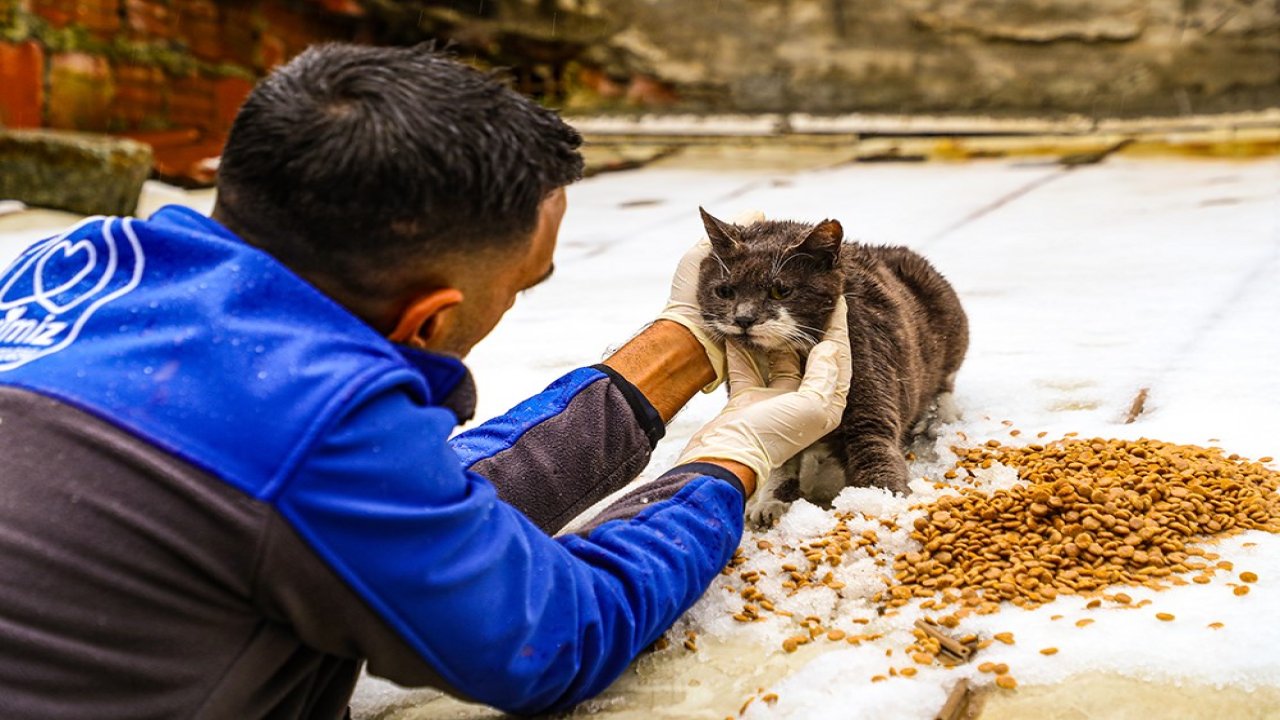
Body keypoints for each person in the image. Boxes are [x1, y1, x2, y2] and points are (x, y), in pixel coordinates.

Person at [0, 44, 850, 718]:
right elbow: (556, 635)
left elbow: (386, 505)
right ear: (428, 321)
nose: (517, 300)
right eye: (523, 285)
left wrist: (678, 350)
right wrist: (728, 460)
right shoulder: (311, 426)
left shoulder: (73, 270)